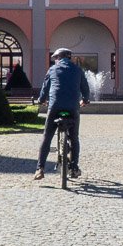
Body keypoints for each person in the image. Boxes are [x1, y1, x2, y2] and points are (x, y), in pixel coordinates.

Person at [33, 48, 90, 180]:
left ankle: (40, 169)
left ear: (58, 58)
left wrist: (41, 100)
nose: (55, 61)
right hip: (73, 107)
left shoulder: (52, 69)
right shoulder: (78, 70)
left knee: (47, 137)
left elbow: (45, 88)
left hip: (55, 107)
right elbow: (85, 87)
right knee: (74, 138)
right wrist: (85, 100)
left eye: (55, 58)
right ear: (69, 58)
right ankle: (74, 168)